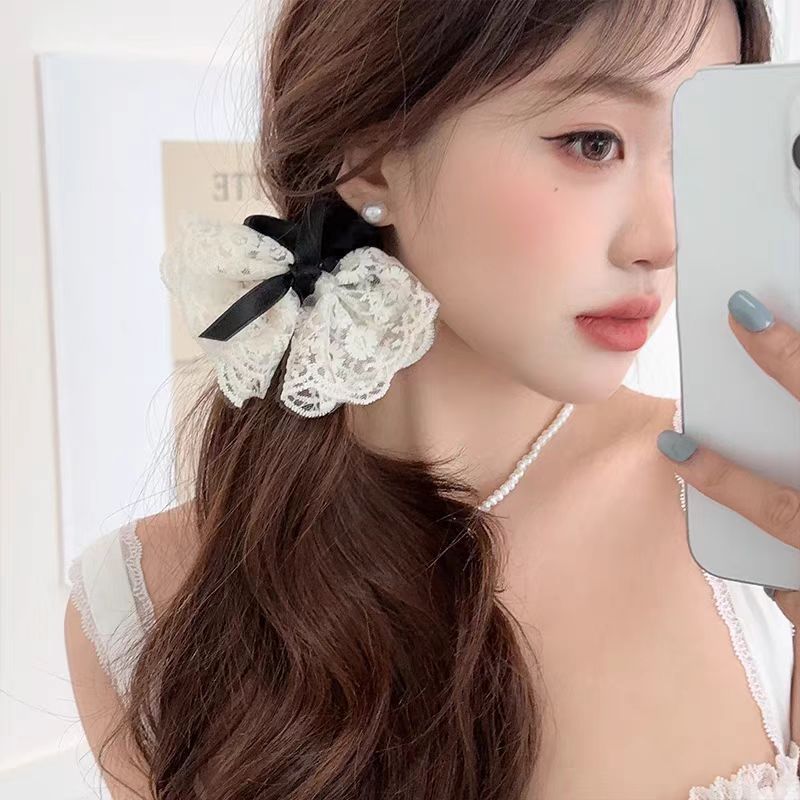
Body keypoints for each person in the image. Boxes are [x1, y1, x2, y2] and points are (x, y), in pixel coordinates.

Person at [63, 0, 800, 797]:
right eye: (594, 143)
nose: (663, 240)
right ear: (373, 158)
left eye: (693, 151)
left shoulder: (758, 517)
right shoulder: (147, 603)